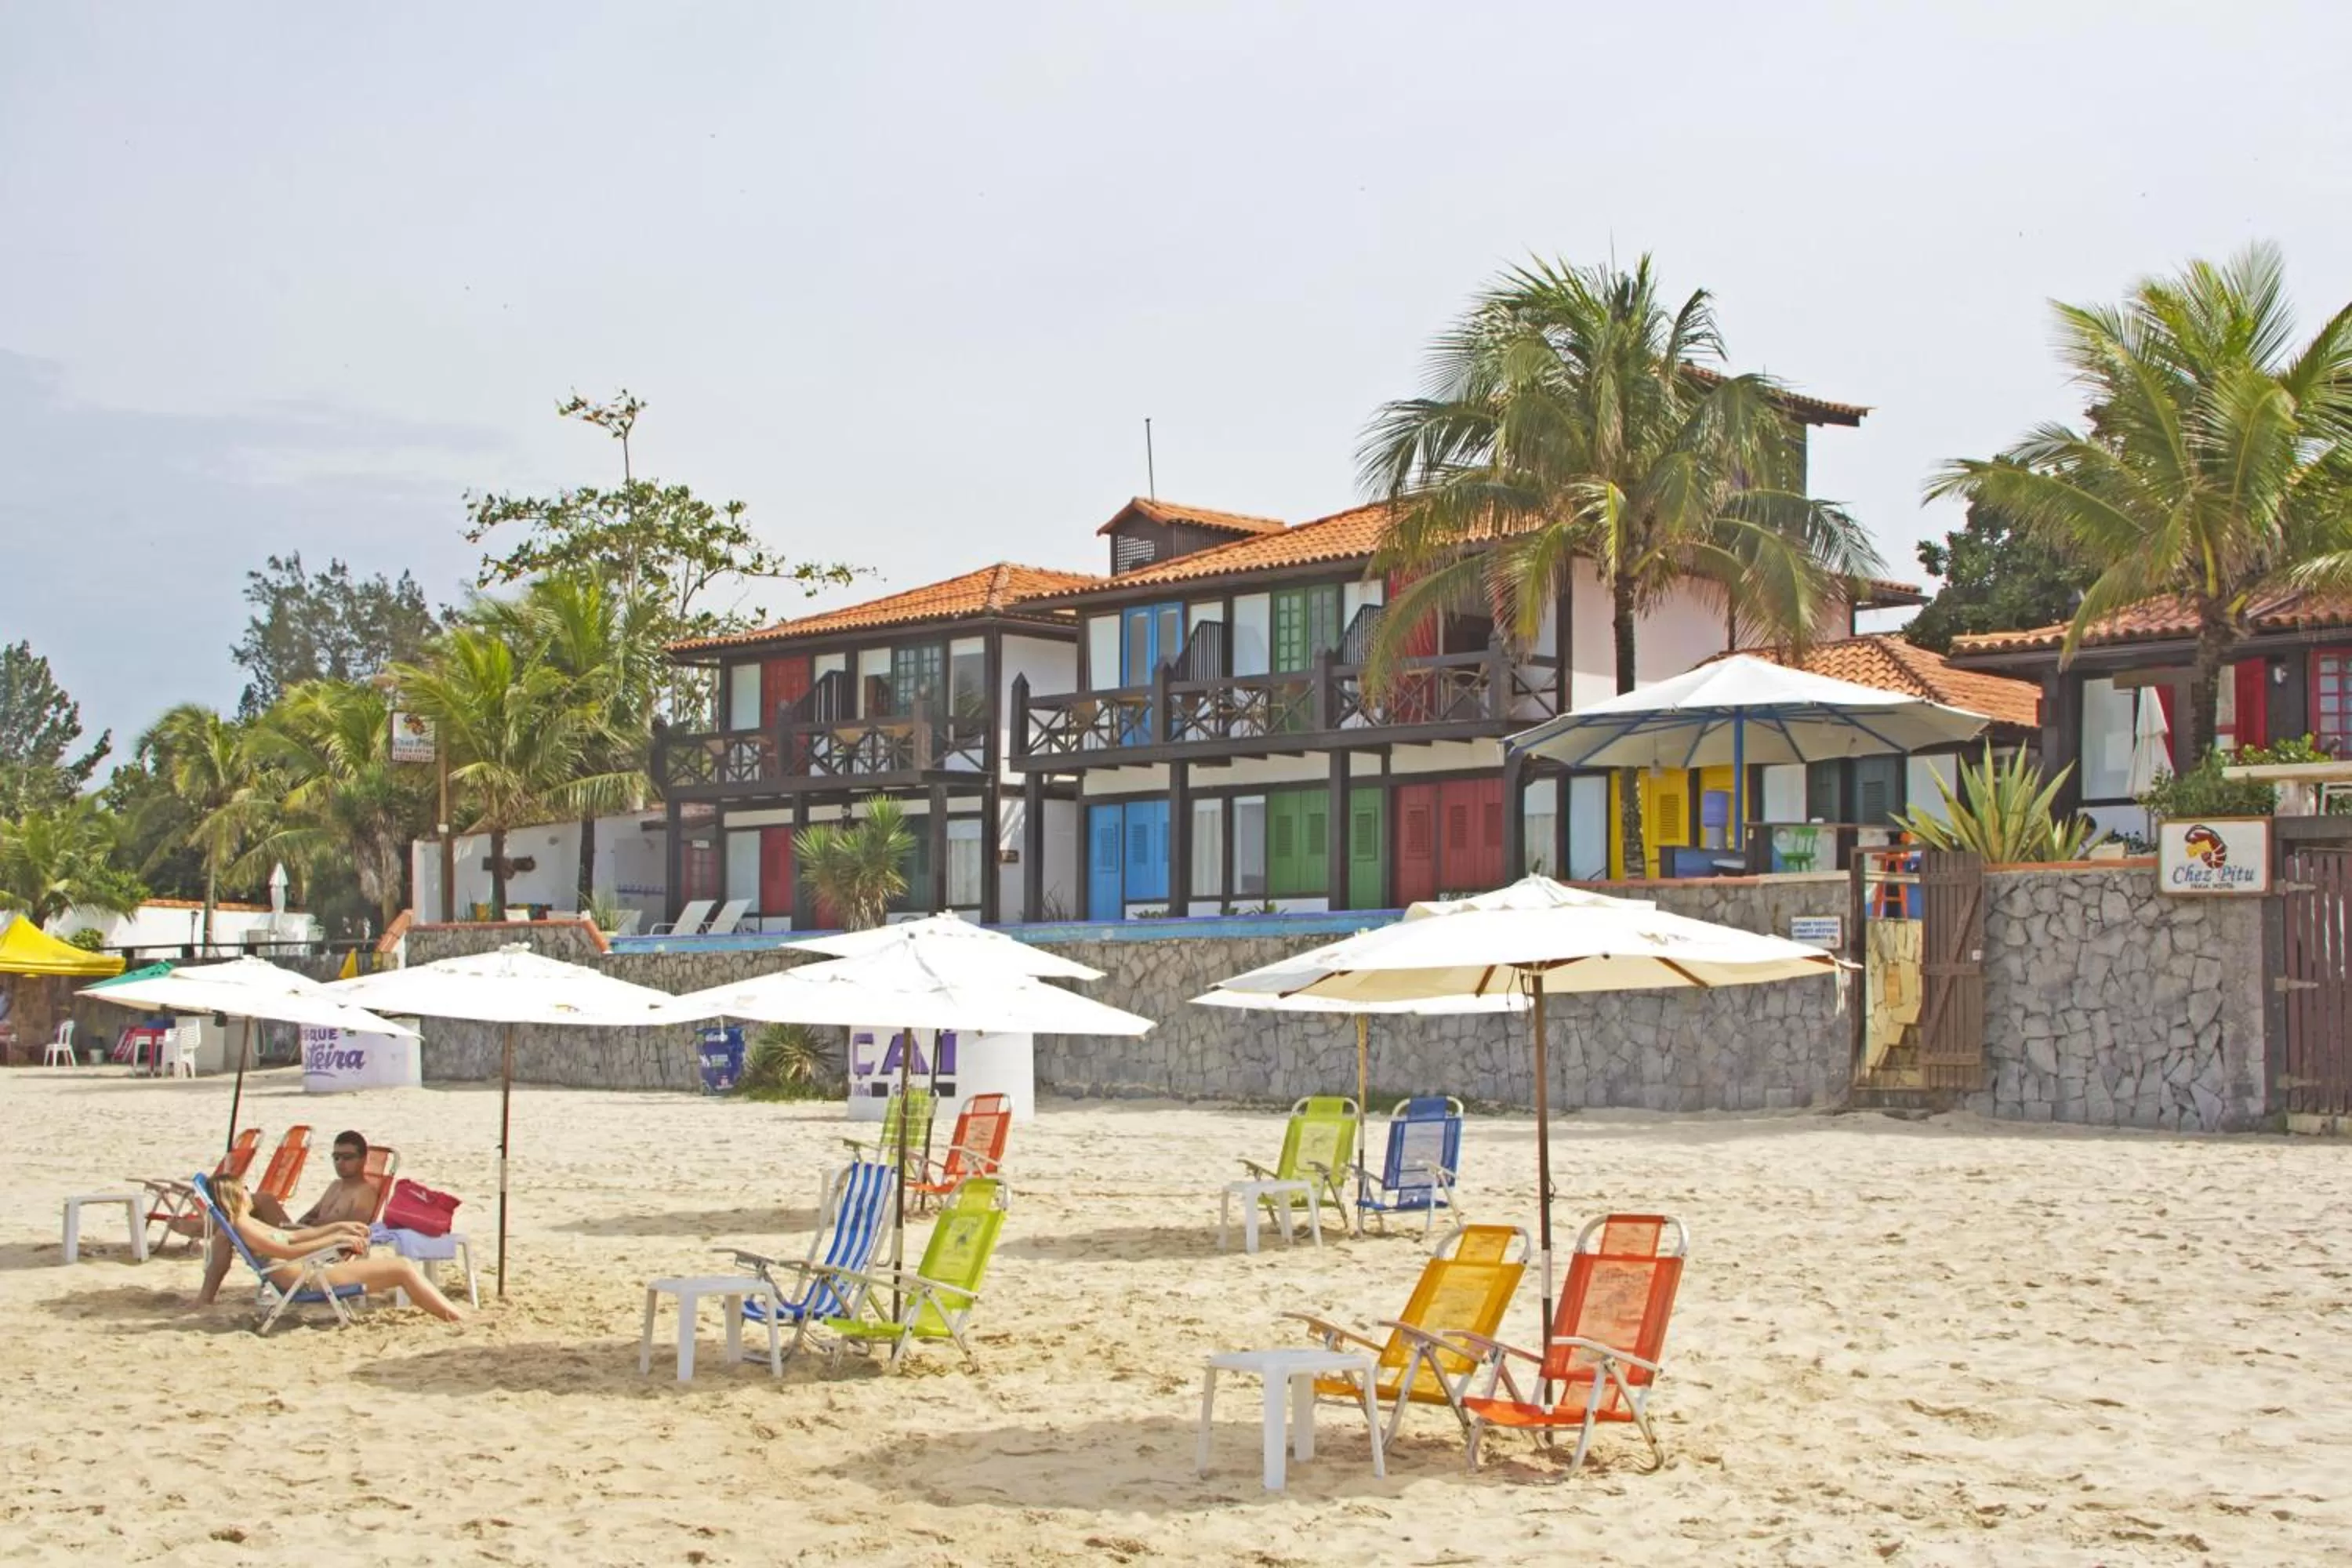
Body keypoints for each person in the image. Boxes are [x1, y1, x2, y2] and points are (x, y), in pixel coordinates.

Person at [205, 1172, 463, 1323]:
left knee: (402, 1268)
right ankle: (455, 1318)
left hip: (301, 1270)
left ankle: (451, 1313)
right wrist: (335, 1242)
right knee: (403, 1268)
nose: (251, 1193)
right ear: (236, 1195)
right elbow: (287, 1252)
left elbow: (291, 1238)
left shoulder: (246, 1222)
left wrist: (338, 1229)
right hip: (302, 1277)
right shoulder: (245, 1226)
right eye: (246, 1189)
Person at [198, 1130, 384, 1305]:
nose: (340, 1163)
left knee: (250, 1212)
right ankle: (216, 1224)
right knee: (247, 1213)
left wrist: (318, 1229)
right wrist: (301, 1226)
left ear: (363, 1159)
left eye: (348, 1157)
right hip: (304, 1235)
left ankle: (205, 1229)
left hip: (321, 1248)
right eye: (336, 1157)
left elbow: (351, 1237)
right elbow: (311, 1214)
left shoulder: (363, 1194)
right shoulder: (336, 1186)